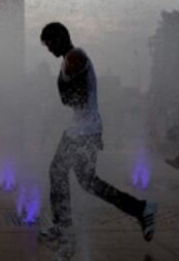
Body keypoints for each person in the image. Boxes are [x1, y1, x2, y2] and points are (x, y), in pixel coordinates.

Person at [37, 22, 156, 245]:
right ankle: (141, 208)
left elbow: (74, 98)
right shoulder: (69, 59)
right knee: (87, 182)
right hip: (83, 130)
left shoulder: (75, 57)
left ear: (61, 38)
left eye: (50, 43)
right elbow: (71, 99)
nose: (49, 49)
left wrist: (63, 95)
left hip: (82, 131)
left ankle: (63, 228)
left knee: (58, 172)